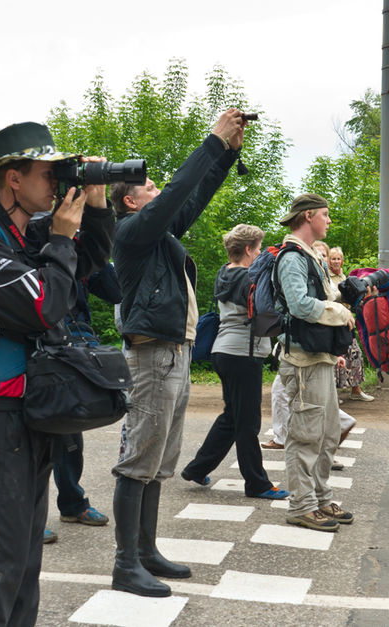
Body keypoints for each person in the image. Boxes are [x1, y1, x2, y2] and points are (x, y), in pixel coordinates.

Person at [0, 121, 115, 625]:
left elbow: (87, 267)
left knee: (22, 560)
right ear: (12, 178)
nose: (57, 182)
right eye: (48, 172)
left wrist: (96, 205)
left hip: (27, 414)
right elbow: (45, 307)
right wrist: (60, 238)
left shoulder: (25, 234)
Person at [109, 109, 246, 598]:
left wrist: (227, 154)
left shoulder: (158, 237)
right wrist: (210, 140)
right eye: (149, 188)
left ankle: (145, 552)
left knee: (160, 459)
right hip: (152, 357)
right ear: (131, 200)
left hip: (175, 353)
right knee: (138, 459)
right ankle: (126, 565)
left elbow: (192, 196)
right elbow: (174, 196)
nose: (158, 190)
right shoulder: (131, 231)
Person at [180, 224, 289, 499]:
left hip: (224, 350)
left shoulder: (224, 272)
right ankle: (257, 483)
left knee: (232, 416)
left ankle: (196, 468)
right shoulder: (248, 279)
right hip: (243, 353)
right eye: (259, 248)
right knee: (248, 423)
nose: (261, 252)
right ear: (249, 250)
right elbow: (263, 318)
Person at [274, 193, 358, 532]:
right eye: (325, 214)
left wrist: (347, 294)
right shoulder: (292, 257)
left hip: (318, 356)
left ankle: (320, 498)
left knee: (326, 431)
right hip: (302, 359)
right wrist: (338, 311)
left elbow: (321, 297)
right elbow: (299, 304)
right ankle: (302, 505)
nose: (328, 220)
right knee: (306, 434)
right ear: (308, 216)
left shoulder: (311, 256)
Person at [44, 262, 122, 544]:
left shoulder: (83, 250)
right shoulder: (33, 240)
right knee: (35, 436)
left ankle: (73, 504)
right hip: (39, 347)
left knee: (70, 431)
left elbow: (116, 293)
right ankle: (29, 515)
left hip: (74, 347)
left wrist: (97, 254)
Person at [325, 245, 374, 403]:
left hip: (346, 320)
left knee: (355, 353)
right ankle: (332, 394)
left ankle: (356, 390)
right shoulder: (326, 277)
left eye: (339, 258)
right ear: (328, 261)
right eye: (333, 258)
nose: (336, 261)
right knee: (333, 356)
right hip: (332, 321)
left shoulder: (343, 276)